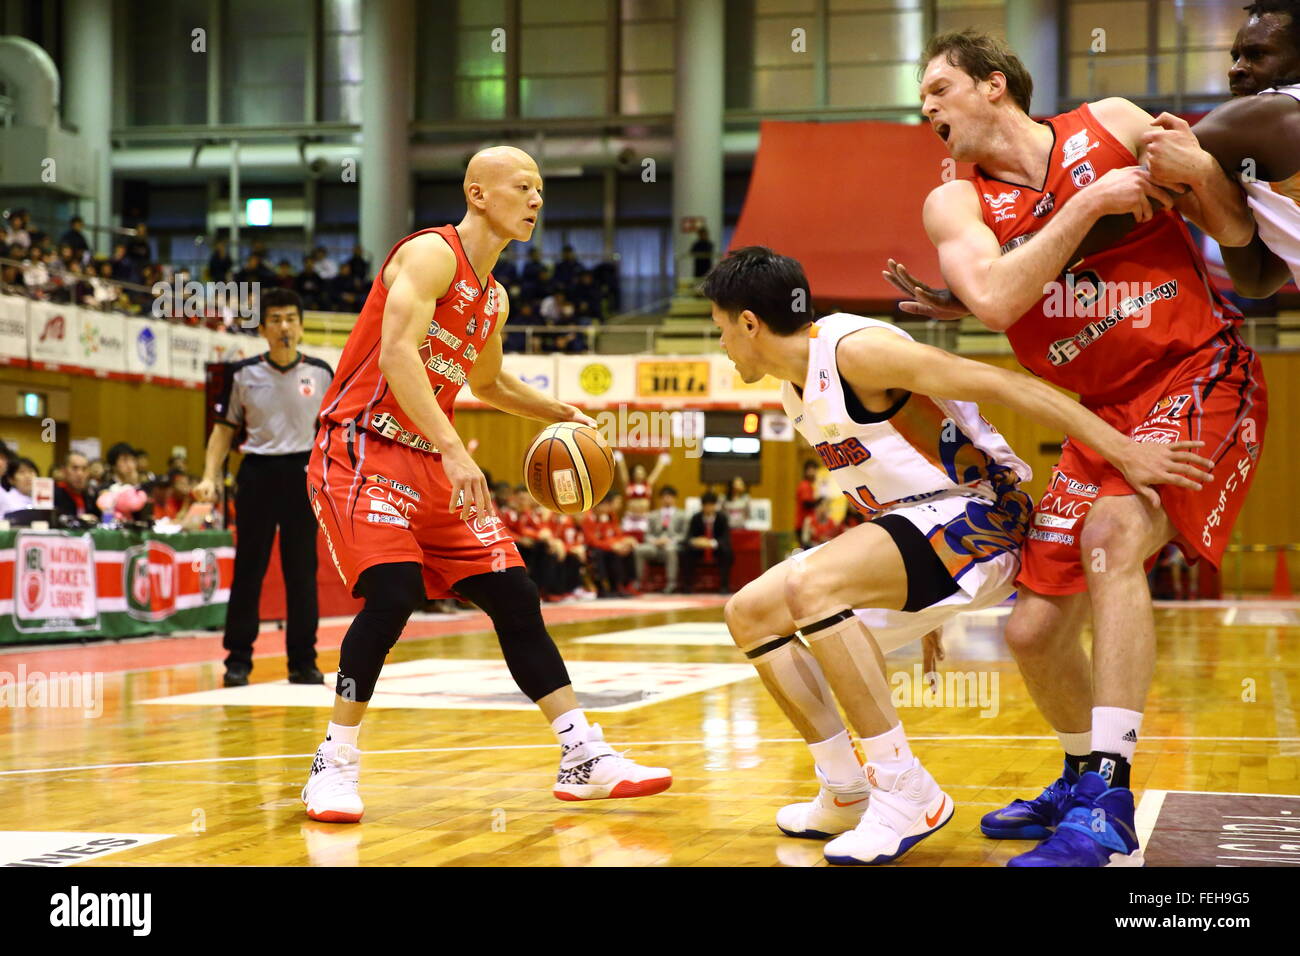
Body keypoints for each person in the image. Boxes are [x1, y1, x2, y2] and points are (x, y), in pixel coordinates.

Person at [882, 31, 1267, 867]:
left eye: (940, 88)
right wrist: (1089, 206)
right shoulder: (955, 204)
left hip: (1197, 370)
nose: (927, 109)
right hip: (1101, 414)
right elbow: (989, 300)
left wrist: (1199, 173)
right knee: (1032, 632)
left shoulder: (1115, 123)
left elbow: (1239, 238)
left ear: (994, 86)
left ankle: (1109, 793)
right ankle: (1074, 770)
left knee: (1112, 541)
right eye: (922, 98)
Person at [704, 246, 1212, 865]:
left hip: (983, 514)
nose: (723, 343)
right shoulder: (793, 388)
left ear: (750, 322)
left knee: (811, 585)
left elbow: (1006, 384)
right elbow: (884, 481)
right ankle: (845, 789)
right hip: (918, 528)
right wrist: (899, 584)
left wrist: (1123, 451)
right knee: (749, 612)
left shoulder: (855, 352)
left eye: (721, 327)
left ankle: (905, 790)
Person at [301, 145, 671, 822]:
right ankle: (334, 762)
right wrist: (454, 447)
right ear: (478, 193)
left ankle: (582, 754)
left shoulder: (494, 296)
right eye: (522, 187)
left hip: (428, 459)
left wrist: (557, 410)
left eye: (539, 190)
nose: (536, 200)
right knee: (393, 594)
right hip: (360, 447)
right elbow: (396, 353)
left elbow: (488, 383)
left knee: (516, 593)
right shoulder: (431, 254)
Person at [194, 288, 334, 688]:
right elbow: (222, 432)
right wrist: (208, 475)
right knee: (248, 571)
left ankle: (303, 661)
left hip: (302, 475)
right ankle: (237, 660)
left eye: (291, 318)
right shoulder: (242, 374)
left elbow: (336, 431)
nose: (284, 326)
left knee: (302, 572)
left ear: (301, 326)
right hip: (256, 474)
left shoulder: (322, 372)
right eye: (275, 319)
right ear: (262, 328)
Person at [1139, 2, 1300, 298]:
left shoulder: (1268, 112)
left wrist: (1206, 173)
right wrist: (1220, 182)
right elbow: (1258, 280)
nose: (1235, 69)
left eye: (1256, 54)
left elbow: (1135, 192)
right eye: (1236, 56)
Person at [635, 485, 687, 593]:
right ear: (660, 499)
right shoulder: (653, 515)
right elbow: (647, 535)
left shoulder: (682, 515)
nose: (667, 499)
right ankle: (638, 582)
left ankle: (671, 584)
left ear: (675, 498)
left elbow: (684, 535)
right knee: (639, 549)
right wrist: (654, 541)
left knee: (670, 550)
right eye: (664, 497)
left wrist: (670, 540)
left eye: (669, 497)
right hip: (655, 546)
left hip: (672, 545)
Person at [680, 491, 733, 594]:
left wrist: (712, 543)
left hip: (716, 547)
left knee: (727, 552)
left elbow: (726, 538)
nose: (708, 508)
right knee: (686, 552)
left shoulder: (722, 518)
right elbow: (688, 537)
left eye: (711, 505)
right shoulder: (696, 518)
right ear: (702, 506)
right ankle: (687, 587)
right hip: (699, 548)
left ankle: (724, 586)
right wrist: (696, 541)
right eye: (706, 505)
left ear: (715, 506)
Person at [54, 451, 101, 520]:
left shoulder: (92, 496)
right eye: (74, 468)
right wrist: (78, 519)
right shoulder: (54, 494)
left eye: (84, 469)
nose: (80, 474)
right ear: (64, 471)